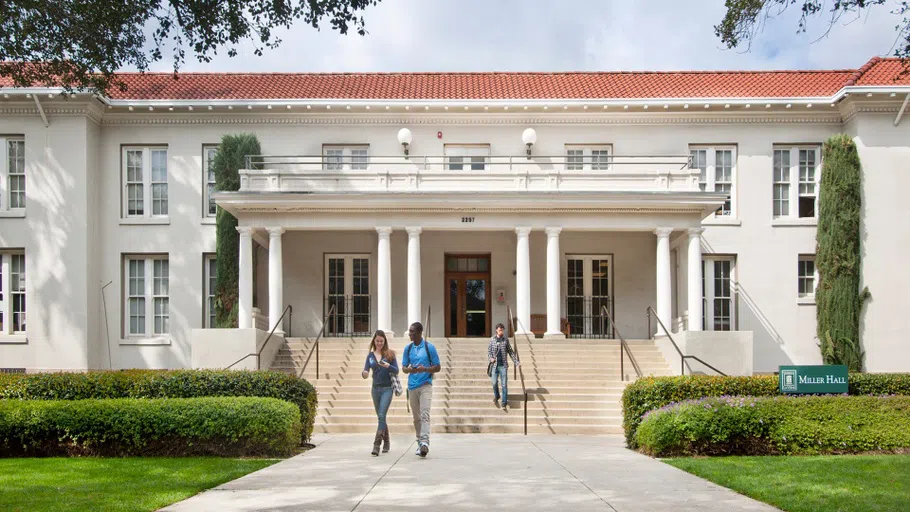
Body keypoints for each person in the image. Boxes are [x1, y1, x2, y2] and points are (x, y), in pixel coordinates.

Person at [401, 321, 440, 458]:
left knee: (424, 414)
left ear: (419, 333)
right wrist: (410, 369)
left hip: (425, 385)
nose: (410, 334)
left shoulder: (430, 348)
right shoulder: (408, 349)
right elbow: (404, 368)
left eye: (412, 332)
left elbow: (437, 367)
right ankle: (419, 442)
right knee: (416, 417)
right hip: (412, 386)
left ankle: (425, 443)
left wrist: (425, 369)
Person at [361, 330, 399, 456]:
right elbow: (366, 371)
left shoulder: (389, 354)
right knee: (381, 417)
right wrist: (364, 373)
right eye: (377, 341)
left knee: (382, 414)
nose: (379, 343)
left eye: (381, 341)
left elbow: (397, 370)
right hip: (375, 389)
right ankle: (387, 441)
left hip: (387, 389)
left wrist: (388, 366)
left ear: (385, 341)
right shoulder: (370, 356)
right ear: (374, 341)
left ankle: (376, 444)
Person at [488, 322, 519, 411]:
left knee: (504, 385)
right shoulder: (492, 339)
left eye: (502, 330)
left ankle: (504, 403)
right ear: (496, 330)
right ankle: (497, 396)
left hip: (503, 366)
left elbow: (510, 352)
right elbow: (489, 352)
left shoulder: (505, 340)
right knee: (494, 383)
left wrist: (516, 362)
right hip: (494, 366)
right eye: (499, 330)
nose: (501, 331)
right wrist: (491, 359)